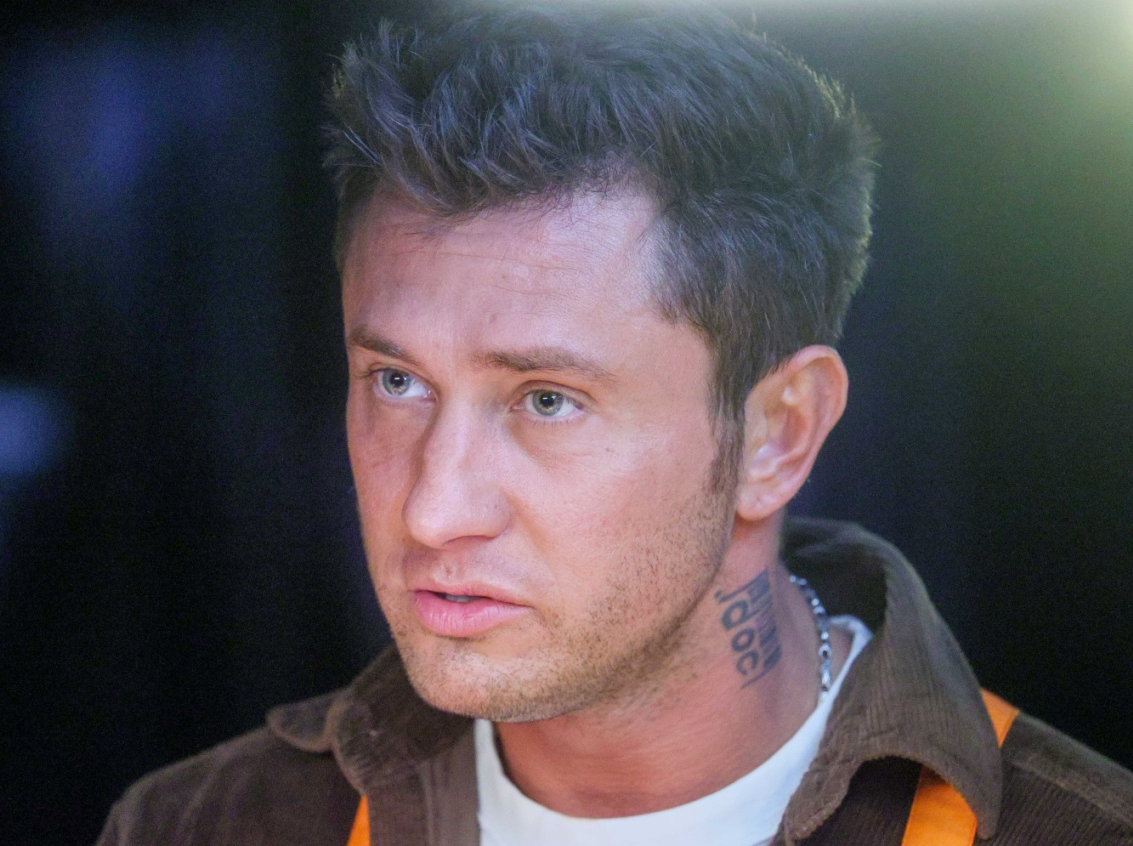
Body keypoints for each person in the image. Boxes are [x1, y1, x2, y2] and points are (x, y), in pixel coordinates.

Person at [97, 7, 1133, 845]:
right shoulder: (203, 826)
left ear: (778, 433)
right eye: (397, 381)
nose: (432, 508)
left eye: (546, 400)